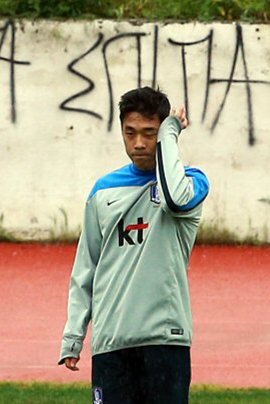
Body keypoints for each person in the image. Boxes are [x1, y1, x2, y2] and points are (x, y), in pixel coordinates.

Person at [58, 86, 210, 403]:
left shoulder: (192, 183)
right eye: (130, 133)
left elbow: (173, 199)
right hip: (111, 342)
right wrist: (74, 335)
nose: (139, 143)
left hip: (165, 340)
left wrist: (171, 134)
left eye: (150, 133)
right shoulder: (103, 191)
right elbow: (87, 266)